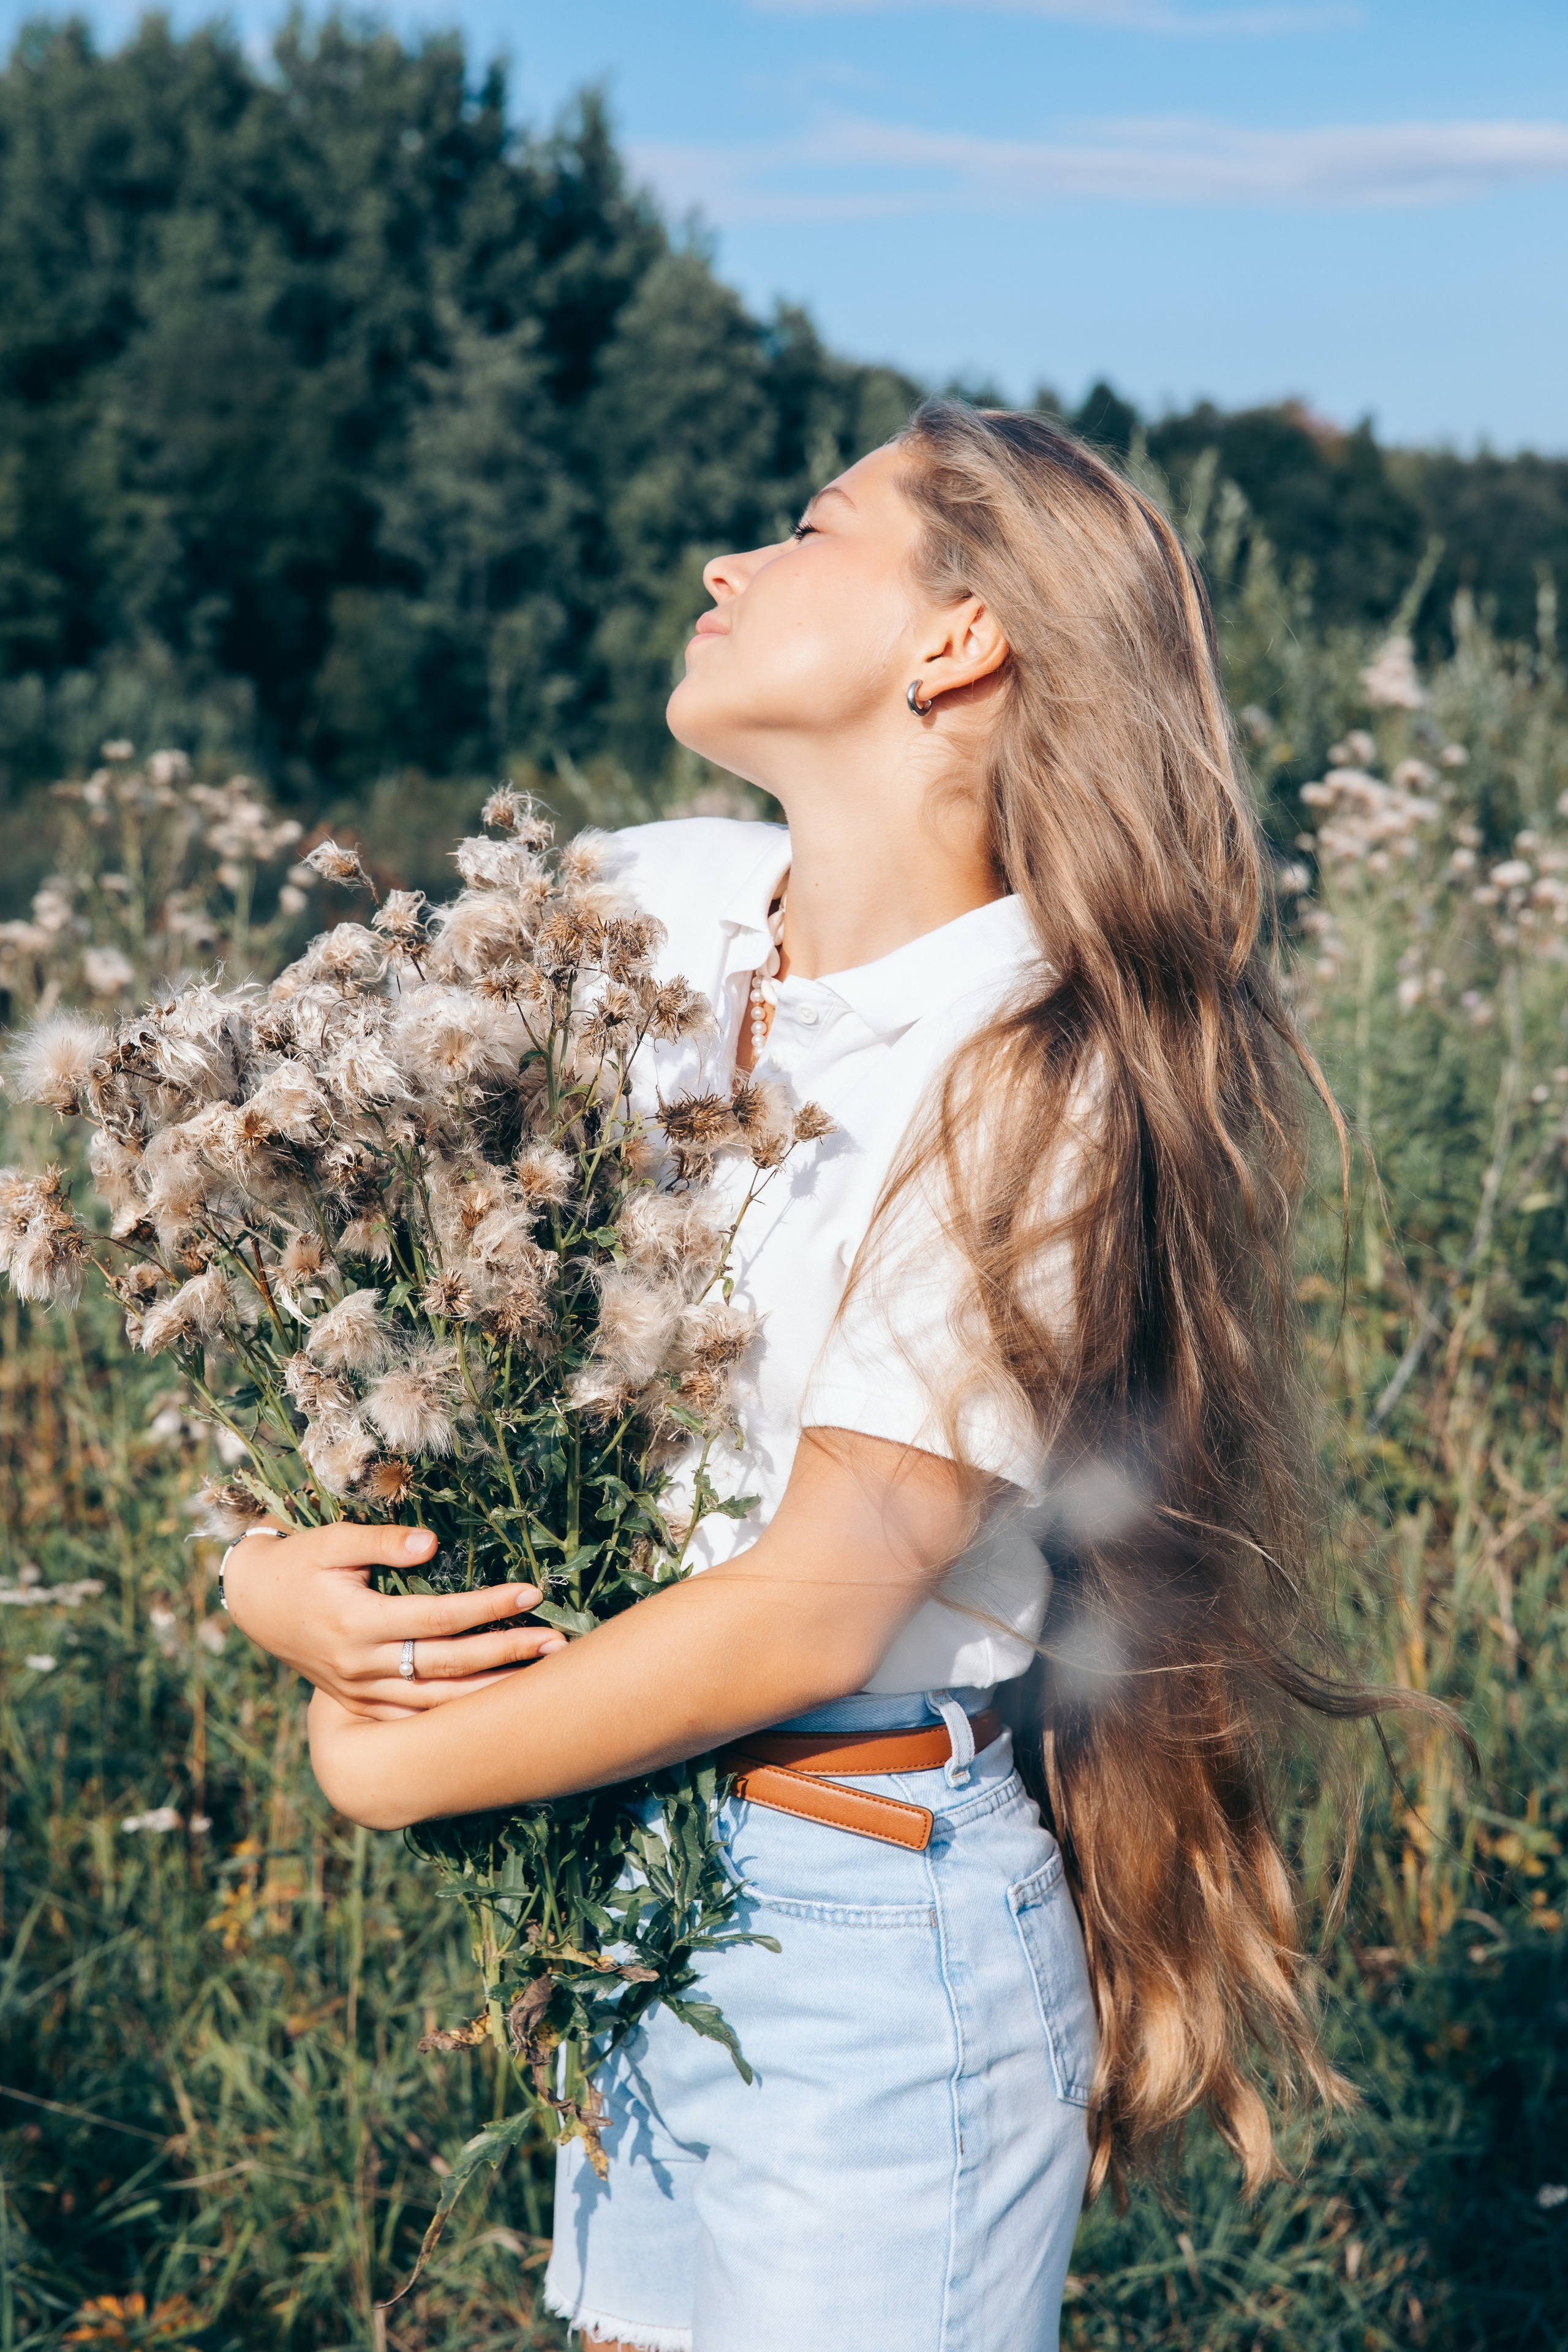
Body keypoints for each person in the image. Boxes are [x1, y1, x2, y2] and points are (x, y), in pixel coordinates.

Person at [225, 401, 1396, 2351]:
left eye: (806, 527)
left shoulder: (1036, 1060)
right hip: (639, 1871)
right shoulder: (642, 906)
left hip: (859, 1932)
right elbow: (343, 1263)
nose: (729, 564)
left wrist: (393, 1767)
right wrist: (261, 1570)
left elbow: (829, 1587)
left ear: (957, 642)